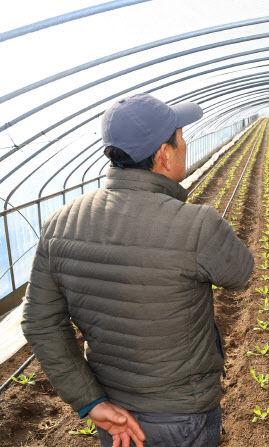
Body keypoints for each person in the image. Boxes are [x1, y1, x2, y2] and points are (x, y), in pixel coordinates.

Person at [21, 93, 255, 447]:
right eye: (181, 138)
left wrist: (90, 401)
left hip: (114, 415)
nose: (185, 144)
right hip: (183, 414)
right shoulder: (196, 224)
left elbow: (39, 323)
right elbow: (240, 273)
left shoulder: (60, 223)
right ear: (164, 154)